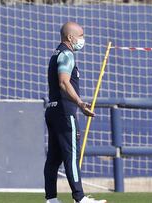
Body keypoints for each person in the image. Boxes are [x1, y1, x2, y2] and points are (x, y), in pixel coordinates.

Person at [44, 22, 106, 203]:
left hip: (53, 111)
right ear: (70, 37)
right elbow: (64, 82)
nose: (83, 39)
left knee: (54, 158)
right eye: (81, 35)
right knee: (72, 156)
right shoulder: (66, 54)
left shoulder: (56, 53)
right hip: (64, 112)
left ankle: (51, 199)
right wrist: (79, 103)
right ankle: (80, 198)